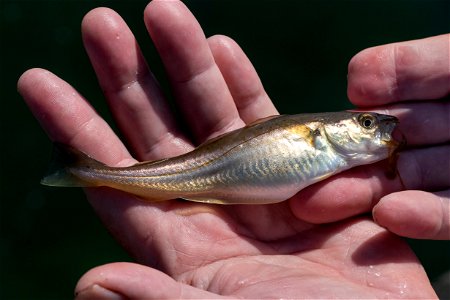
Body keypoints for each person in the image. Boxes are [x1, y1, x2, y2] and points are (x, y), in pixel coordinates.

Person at [18, 0, 448, 298]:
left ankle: (85, 171)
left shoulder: (339, 157)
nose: (378, 129)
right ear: (326, 131)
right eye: (367, 123)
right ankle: (83, 170)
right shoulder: (316, 136)